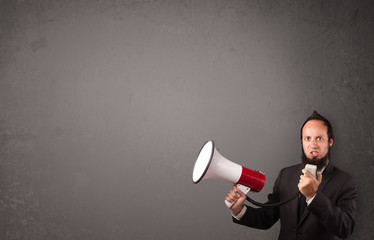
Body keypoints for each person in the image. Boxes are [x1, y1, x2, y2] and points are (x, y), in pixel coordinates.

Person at [225, 111, 357, 240]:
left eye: (319, 138)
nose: (313, 144)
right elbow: (267, 218)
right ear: (302, 142)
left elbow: (345, 229)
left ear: (330, 142)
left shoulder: (345, 181)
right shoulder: (285, 175)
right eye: (307, 138)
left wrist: (313, 197)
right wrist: (239, 210)